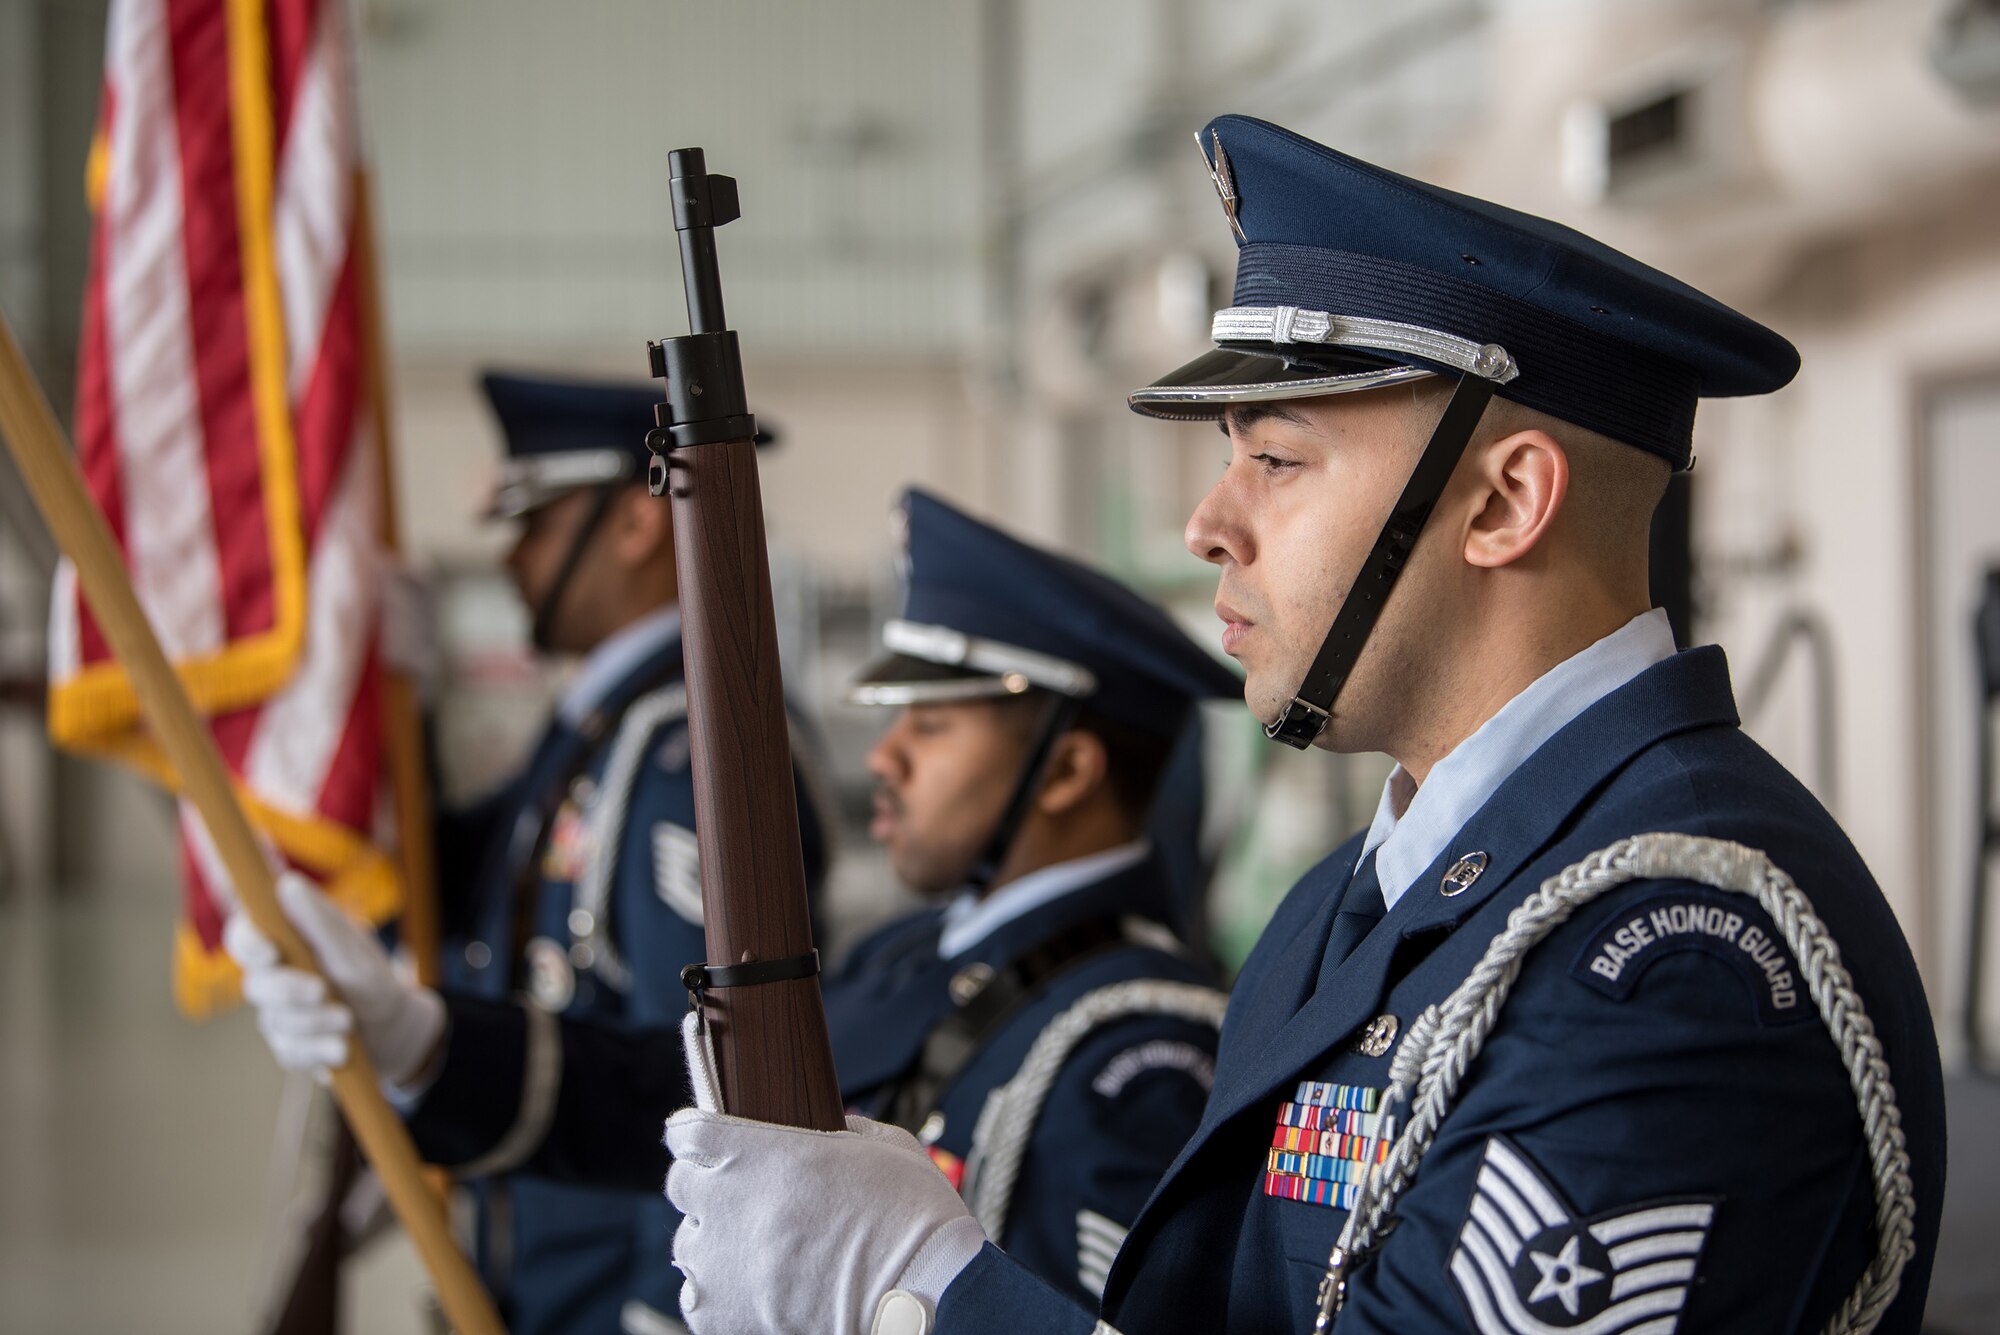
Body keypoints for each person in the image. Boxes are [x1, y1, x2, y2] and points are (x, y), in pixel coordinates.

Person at [657, 116, 1948, 1335]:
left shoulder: (1677, 963)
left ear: (1503, 504)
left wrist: (924, 1292)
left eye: (1276, 458)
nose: (1207, 522)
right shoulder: (1341, 911)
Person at [228, 486, 1240, 1317]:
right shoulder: (906, 957)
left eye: (929, 728)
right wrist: (429, 1045)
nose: (880, 758)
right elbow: (680, 1120)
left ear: (1066, 769)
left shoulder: (1135, 1055)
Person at [232, 370, 834, 1335]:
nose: (510, 560)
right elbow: (459, 883)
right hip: (536, 1276)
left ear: (635, 526)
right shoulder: (599, 726)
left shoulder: (692, 755)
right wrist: (395, 720)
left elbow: (704, 1094)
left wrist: (661, 1316)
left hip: (616, 1295)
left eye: (535, 525)